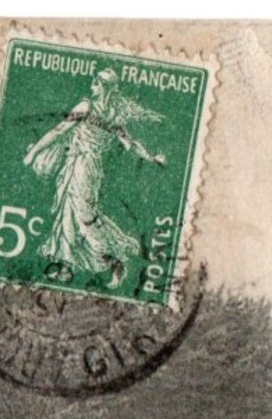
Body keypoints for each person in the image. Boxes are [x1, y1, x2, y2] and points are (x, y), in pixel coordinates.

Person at [23, 68, 168, 288]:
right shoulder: (110, 116)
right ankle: (66, 268)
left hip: (84, 168)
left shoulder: (87, 108)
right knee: (68, 214)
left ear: (104, 87)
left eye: (96, 82)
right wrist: (152, 157)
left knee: (83, 216)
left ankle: (113, 260)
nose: (92, 84)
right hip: (81, 166)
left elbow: (59, 131)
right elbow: (131, 143)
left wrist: (33, 153)